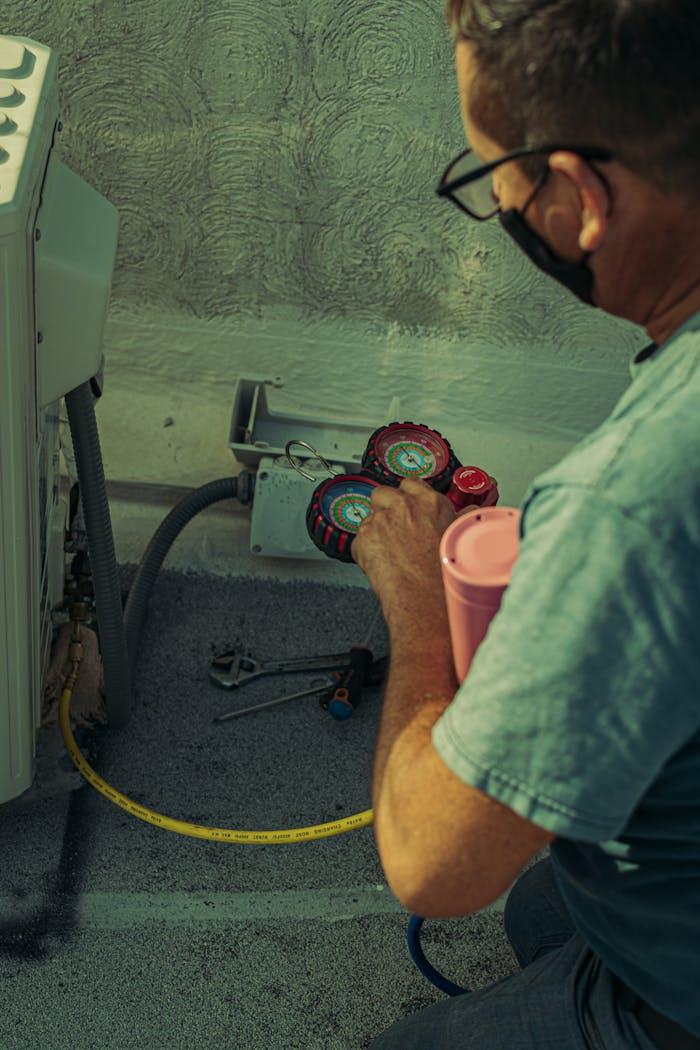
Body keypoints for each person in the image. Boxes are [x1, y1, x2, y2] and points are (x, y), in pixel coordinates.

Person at [353, 2, 700, 1047]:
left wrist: (419, 612)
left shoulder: (635, 502)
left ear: (581, 195)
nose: (499, 201)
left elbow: (431, 863)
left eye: (490, 175)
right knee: (544, 908)